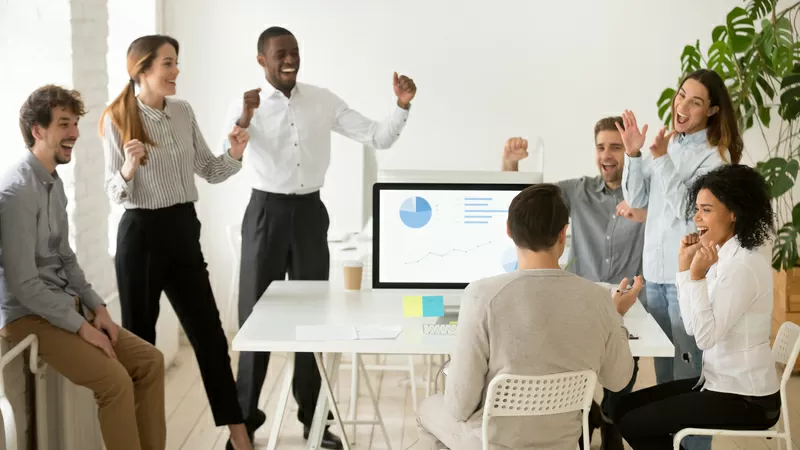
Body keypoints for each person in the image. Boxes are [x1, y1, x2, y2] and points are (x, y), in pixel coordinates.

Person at [222, 26, 417, 448]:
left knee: (314, 323)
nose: (289, 59)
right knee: (255, 323)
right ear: (262, 60)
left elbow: (377, 136)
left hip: (310, 214)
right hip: (264, 214)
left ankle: (314, 422)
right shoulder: (247, 106)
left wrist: (401, 106)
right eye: (280, 54)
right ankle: (245, 426)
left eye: (294, 52)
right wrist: (242, 120)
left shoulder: (323, 100)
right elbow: (226, 157)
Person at [99, 35, 253, 450]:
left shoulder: (182, 112)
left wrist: (235, 154)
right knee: (141, 343)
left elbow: (208, 168)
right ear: (142, 70)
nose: (176, 71)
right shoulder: (116, 117)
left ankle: (240, 436)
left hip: (184, 230)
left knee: (210, 335)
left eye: (176, 62)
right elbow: (114, 194)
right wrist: (129, 168)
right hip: (141, 236)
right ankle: (142, 440)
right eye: (168, 64)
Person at [0, 84, 166, 450]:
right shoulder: (15, 193)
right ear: (37, 130)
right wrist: (82, 328)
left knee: (150, 362)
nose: (74, 133)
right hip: (27, 317)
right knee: (116, 382)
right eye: (63, 124)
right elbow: (25, 285)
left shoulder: (53, 183)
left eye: (75, 123)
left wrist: (98, 307)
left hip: (63, 307)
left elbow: (65, 257)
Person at [416, 183, 641, 450]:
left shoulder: (481, 295)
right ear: (563, 233)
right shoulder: (599, 299)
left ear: (509, 230)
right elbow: (618, 380)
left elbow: (459, 407)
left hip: (492, 442)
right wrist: (616, 317)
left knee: (428, 409)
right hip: (562, 443)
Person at [617, 67, 743, 450]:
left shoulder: (715, 157)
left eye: (696, 101)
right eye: (682, 95)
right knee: (666, 387)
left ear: (713, 111)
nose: (683, 105)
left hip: (687, 281)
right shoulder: (667, 146)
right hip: (654, 276)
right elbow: (637, 199)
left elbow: (691, 210)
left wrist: (660, 159)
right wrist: (635, 154)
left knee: (691, 385)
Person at [501, 116, 646, 450]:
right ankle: (585, 413)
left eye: (616, 147)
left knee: (622, 365)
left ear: (629, 151)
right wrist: (510, 163)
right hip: (583, 300)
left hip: (629, 302)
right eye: (601, 147)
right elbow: (527, 203)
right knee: (570, 364)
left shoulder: (643, 196)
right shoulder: (576, 191)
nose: (607, 155)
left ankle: (609, 417)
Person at [614, 164, 781, 450]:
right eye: (698, 208)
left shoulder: (743, 265)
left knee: (632, 422)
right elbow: (693, 326)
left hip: (746, 398)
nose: (696, 217)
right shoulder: (725, 255)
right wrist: (684, 268)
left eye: (706, 209)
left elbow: (704, 338)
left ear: (733, 213)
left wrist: (695, 276)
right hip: (718, 382)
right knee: (623, 408)